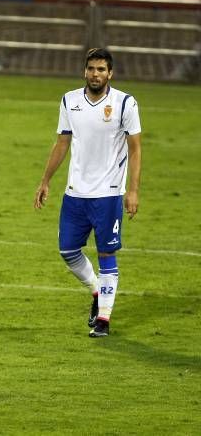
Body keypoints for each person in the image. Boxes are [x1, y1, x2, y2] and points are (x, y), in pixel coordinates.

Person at [34, 47, 142, 338]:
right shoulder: (69, 101)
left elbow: (135, 148)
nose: (96, 74)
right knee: (67, 250)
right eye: (91, 69)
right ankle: (97, 291)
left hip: (108, 194)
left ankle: (104, 319)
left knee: (106, 251)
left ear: (110, 73)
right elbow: (61, 143)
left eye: (101, 70)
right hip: (75, 192)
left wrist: (132, 190)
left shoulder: (125, 104)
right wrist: (45, 180)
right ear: (85, 71)